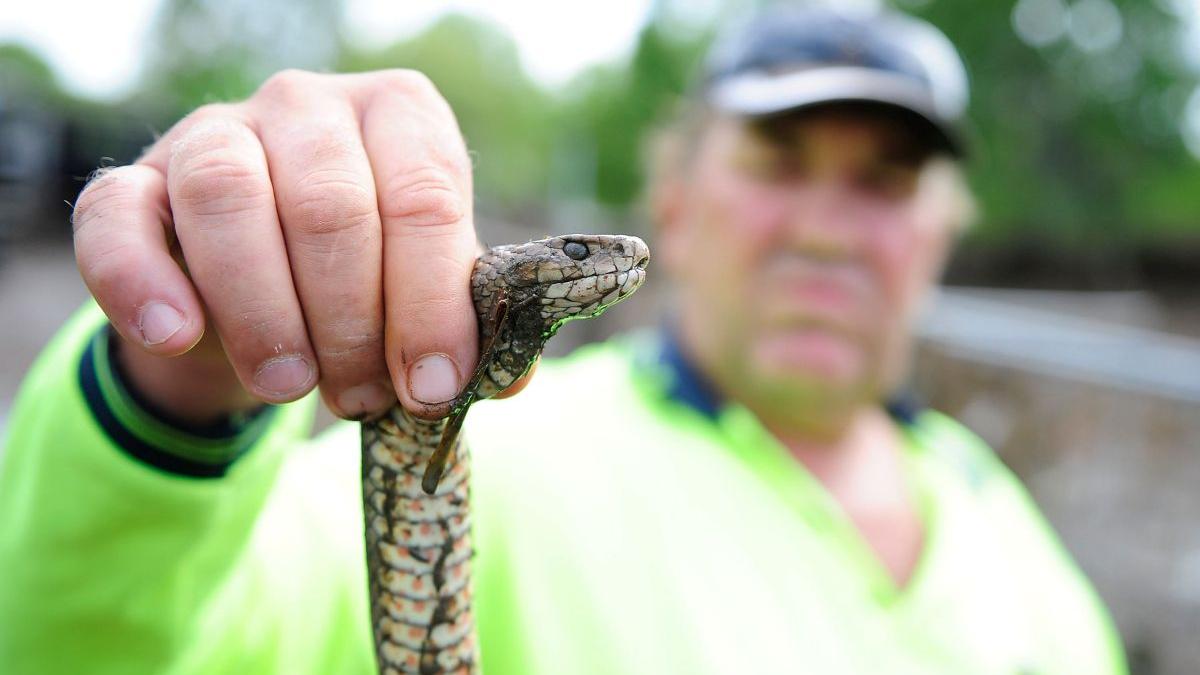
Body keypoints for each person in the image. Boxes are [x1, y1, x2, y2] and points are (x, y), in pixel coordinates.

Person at [0, 6, 1126, 674]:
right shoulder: (530, 446)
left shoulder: (1015, 538)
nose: (829, 231)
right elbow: (97, 648)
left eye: (884, 183)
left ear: (941, 234)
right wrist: (182, 384)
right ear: (674, 206)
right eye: (780, 166)